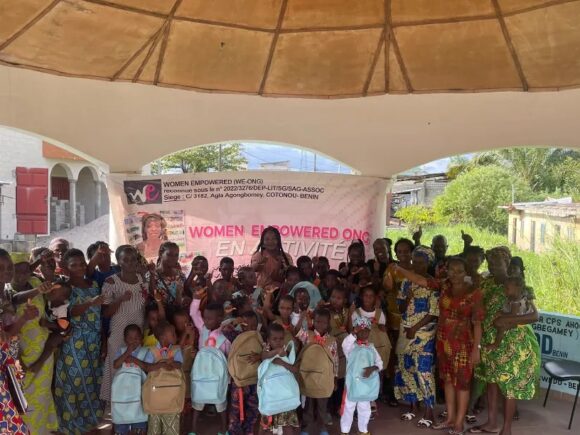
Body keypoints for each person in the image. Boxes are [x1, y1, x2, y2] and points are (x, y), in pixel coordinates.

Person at [396, 256, 484, 434]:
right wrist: (401, 269)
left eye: (459, 271)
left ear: (466, 272)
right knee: (448, 381)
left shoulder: (475, 293)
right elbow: (421, 280)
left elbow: (477, 324)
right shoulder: (444, 285)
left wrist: (476, 349)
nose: (455, 274)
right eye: (452, 270)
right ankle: (450, 419)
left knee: (463, 384)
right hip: (443, 342)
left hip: (464, 345)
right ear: (446, 270)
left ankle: (459, 423)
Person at [471, 247, 540, 435]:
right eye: (490, 263)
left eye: (497, 263)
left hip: (511, 343)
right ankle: (492, 423)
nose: (493, 267)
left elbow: (534, 316)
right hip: (489, 341)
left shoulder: (520, 287)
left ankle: (506, 429)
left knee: (508, 386)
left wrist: (505, 320)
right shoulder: (485, 285)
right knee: (491, 383)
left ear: (507, 263)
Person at [53, 248, 104, 434]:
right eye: (74, 265)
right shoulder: (65, 288)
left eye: (82, 263)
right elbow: (69, 312)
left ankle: (88, 421)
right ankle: (69, 424)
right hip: (74, 341)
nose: (80, 267)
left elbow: (99, 316)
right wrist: (91, 303)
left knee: (90, 383)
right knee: (72, 383)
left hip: (93, 341)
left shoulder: (93, 285)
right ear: (66, 269)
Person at [10, 252, 58, 435]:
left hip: (44, 351)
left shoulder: (37, 282)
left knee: (43, 393)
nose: (22, 274)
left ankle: (42, 430)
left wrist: (39, 264)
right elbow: (19, 298)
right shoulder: (9, 293)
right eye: (16, 271)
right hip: (23, 356)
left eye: (25, 270)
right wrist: (38, 291)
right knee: (25, 397)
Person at [394, 246, 439, 428]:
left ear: (429, 263)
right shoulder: (406, 282)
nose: (418, 265)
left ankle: (429, 411)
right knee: (407, 367)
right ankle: (413, 405)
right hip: (405, 331)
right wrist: (407, 298)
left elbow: (434, 313)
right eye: (416, 262)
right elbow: (400, 308)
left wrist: (415, 328)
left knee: (423, 370)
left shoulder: (433, 284)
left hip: (424, 334)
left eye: (422, 262)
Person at [100, 245, 147, 402]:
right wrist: (119, 299)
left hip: (137, 331)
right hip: (119, 330)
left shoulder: (142, 280)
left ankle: (134, 408)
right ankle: (116, 410)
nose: (130, 263)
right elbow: (105, 313)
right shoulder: (111, 282)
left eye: (133, 259)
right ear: (119, 262)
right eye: (125, 260)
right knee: (117, 368)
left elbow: (145, 305)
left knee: (136, 369)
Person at [190, 289, 231, 435]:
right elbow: (194, 314)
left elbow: (228, 356)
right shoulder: (202, 329)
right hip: (202, 371)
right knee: (197, 402)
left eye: (210, 319)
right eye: (205, 318)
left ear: (220, 319)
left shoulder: (225, 335)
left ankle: (224, 430)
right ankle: (194, 430)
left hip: (218, 375)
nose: (206, 321)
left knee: (221, 404)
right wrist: (196, 300)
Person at [296, 308, 338, 435]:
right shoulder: (307, 335)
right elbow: (296, 331)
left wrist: (335, 378)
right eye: (318, 321)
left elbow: (335, 361)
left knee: (322, 406)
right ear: (313, 321)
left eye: (324, 322)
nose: (320, 325)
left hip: (324, 378)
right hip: (308, 376)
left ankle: (322, 428)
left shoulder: (332, 341)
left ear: (328, 324)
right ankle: (306, 428)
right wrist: (303, 316)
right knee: (308, 405)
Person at [340, 316, 383, 435]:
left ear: (369, 332)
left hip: (366, 384)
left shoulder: (371, 347)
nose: (363, 333)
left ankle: (363, 430)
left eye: (366, 330)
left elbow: (380, 363)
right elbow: (344, 345)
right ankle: (344, 430)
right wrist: (353, 333)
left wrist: (372, 368)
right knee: (348, 408)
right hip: (352, 384)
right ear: (356, 331)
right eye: (360, 331)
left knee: (364, 408)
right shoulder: (351, 347)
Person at [258, 323, 301, 435]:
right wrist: (276, 352)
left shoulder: (286, 352)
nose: (278, 342)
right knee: (266, 429)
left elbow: (295, 370)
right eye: (274, 339)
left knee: (288, 428)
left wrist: (282, 362)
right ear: (268, 340)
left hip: (285, 399)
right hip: (271, 399)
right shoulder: (266, 352)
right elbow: (263, 356)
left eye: (281, 339)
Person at [143, 321, 184, 435]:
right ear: (163, 337)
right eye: (173, 333)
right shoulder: (152, 351)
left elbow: (180, 365)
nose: (176, 336)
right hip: (156, 399)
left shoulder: (176, 349)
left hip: (171, 398)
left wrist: (173, 363)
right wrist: (161, 364)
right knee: (154, 427)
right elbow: (147, 367)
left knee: (172, 427)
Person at [227, 311, 262, 435]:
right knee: (236, 410)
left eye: (253, 326)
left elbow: (267, 352)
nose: (250, 329)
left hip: (254, 380)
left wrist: (260, 356)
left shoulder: (260, 337)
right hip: (239, 381)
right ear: (242, 325)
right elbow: (224, 329)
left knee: (252, 409)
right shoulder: (236, 335)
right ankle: (234, 431)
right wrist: (235, 321)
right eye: (247, 325)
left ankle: (249, 431)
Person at [111, 324, 149, 435]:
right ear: (125, 339)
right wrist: (127, 352)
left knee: (139, 419)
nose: (133, 341)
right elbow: (116, 365)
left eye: (137, 338)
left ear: (141, 338)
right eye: (130, 338)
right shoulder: (122, 351)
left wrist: (133, 359)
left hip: (139, 394)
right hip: (122, 395)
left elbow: (147, 368)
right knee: (122, 419)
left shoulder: (145, 351)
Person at [487, 276, 531, 351]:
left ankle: (496, 344)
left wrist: (501, 314)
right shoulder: (515, 297)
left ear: (517, 289)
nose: (505, 291)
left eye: (507, 289)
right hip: (515, 319)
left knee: (501, 327)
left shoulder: (515, 301)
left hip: (515, 321)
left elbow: (513, 315)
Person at [328, 287, 350, 416]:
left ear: (344, 300)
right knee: (332, 378)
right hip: (332, 347)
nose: (335, 300)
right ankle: (330, 406)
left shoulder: (347, 312)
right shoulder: (326, 312)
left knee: (342, 379)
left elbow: (350, 329)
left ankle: (339, 407)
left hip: (345, 350)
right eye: (333, 297)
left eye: (339, 298)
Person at [149, 242, 187, 316]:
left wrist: (184, 298)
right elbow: (152, 294)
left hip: (178, 316)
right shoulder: (152, 274)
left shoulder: (179, 274)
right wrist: (152, 275)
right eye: (169, 254)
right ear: (160, 254)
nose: (174, 258)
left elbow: (184, 293)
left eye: (176, 255)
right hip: (162, 317)